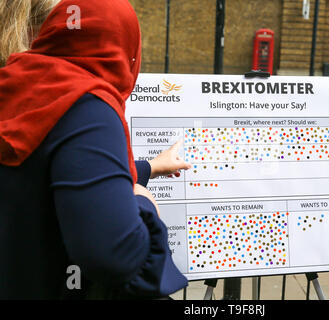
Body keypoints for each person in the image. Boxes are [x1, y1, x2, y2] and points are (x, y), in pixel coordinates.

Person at [0, 0, 190, 299]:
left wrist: (149, 167)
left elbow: (41, 170)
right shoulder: (90, 107)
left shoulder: (17, 84)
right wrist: (145, 204)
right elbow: (114, 257)